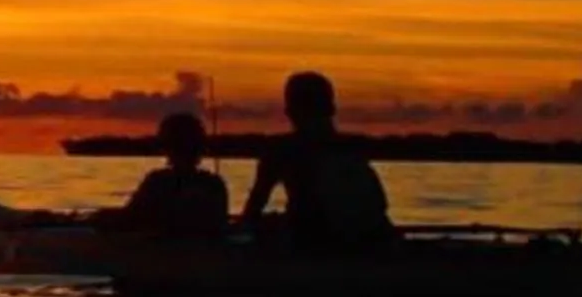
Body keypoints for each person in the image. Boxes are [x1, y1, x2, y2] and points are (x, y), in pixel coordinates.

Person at [238, 71, 394, 249]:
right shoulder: (354, 147)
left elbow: (252, 211)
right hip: (371, 241)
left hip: (313, 242)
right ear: (331, 108)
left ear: (289, 111)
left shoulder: (281, 150)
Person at [100, 112, 229, 236]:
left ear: (166, 145)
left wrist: (102, 217)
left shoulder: (159, 181)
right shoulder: (215, 184)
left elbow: (130, 218)